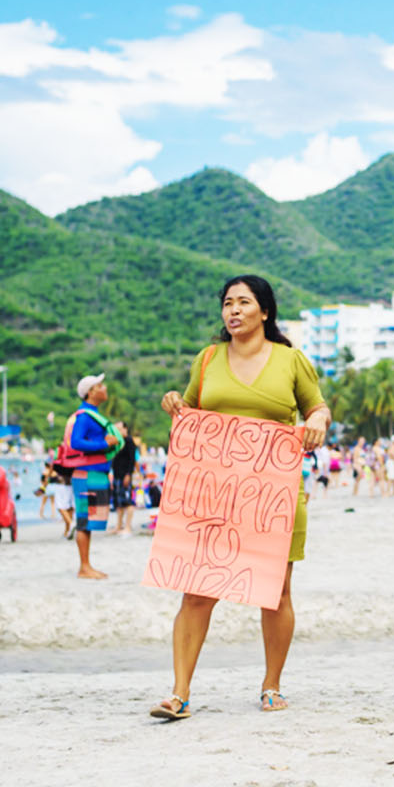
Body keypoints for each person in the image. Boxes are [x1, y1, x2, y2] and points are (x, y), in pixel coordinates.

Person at [153, 274, 331, 721]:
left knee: (275, 593)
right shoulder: (208, 358)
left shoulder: (291, 361)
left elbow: (317, 407)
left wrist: (319, 425)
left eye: (243, 303)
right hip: (213, 494)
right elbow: (190, 412)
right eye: (227, 303)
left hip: (275, 493)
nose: (233, 310)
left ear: (265, 312)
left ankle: (271, 686)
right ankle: (179, 693)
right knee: (196, 592)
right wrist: (175, 401)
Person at [56, 374, 121, 578]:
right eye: (100, 385)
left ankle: (87, 564)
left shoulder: (92, 415)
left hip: (95, 473)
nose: (105, 388)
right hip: (87, 474)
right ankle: (84, 567)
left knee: (90, 520)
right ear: (91, 392)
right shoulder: (84, 416)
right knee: (84, 519)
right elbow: (76, 442)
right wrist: (105, 444)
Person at [110, 424, 138, 535]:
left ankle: (128, 527)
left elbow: (132, 460)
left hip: (125, 475)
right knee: (119, 503)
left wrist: (128, 474)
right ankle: (118, 526)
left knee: (127, 501)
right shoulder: (118, 442)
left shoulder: (129, 441)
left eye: (119, 428)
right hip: (117, 475)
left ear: (125, 429)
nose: (117, 430)